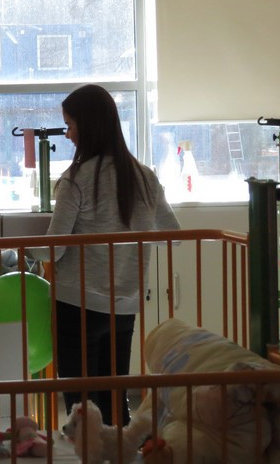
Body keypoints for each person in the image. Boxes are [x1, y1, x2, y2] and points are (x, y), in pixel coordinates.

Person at [46, 84, 180, 426]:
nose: (67, 134)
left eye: (70, 125)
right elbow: (174, 235)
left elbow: (54, 248)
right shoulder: (145, 177)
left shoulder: (76, 180)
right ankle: (121, 446)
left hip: (77, 302)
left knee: (81, 402)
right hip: (125, 304)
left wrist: (22, 249)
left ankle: (87, 449)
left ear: (87, 125)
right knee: (114, 395)